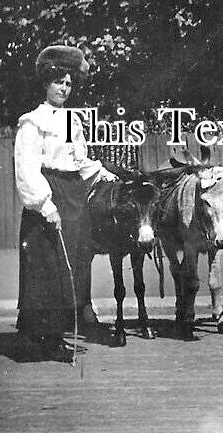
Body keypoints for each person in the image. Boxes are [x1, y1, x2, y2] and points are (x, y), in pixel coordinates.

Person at [14, 45, 116, 360]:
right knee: (49, 266)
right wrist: (45, 206)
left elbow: (80, 160)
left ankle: (60, 331)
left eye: (69, 83)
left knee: (73, 262)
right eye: (59, 81)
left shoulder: (73, 121)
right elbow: (26, 169)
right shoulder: (32, 122)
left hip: (74, 196)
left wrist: (104, 174)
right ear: (46, 82)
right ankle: (46, 337)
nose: (64, 88)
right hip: (50, 192)